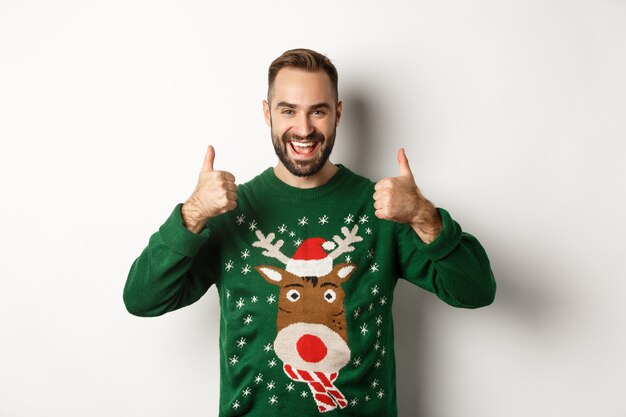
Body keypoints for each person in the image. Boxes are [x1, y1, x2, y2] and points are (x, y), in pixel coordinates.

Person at [124, 48, 496, 416]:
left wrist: (421, 214)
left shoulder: (384, 210)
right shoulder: (227, 211)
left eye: (317, 111)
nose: (303, 130)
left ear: (338, 113)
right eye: (288, 111)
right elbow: (143, 299)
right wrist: (192, 214)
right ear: (268, 114)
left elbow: (476, 290)